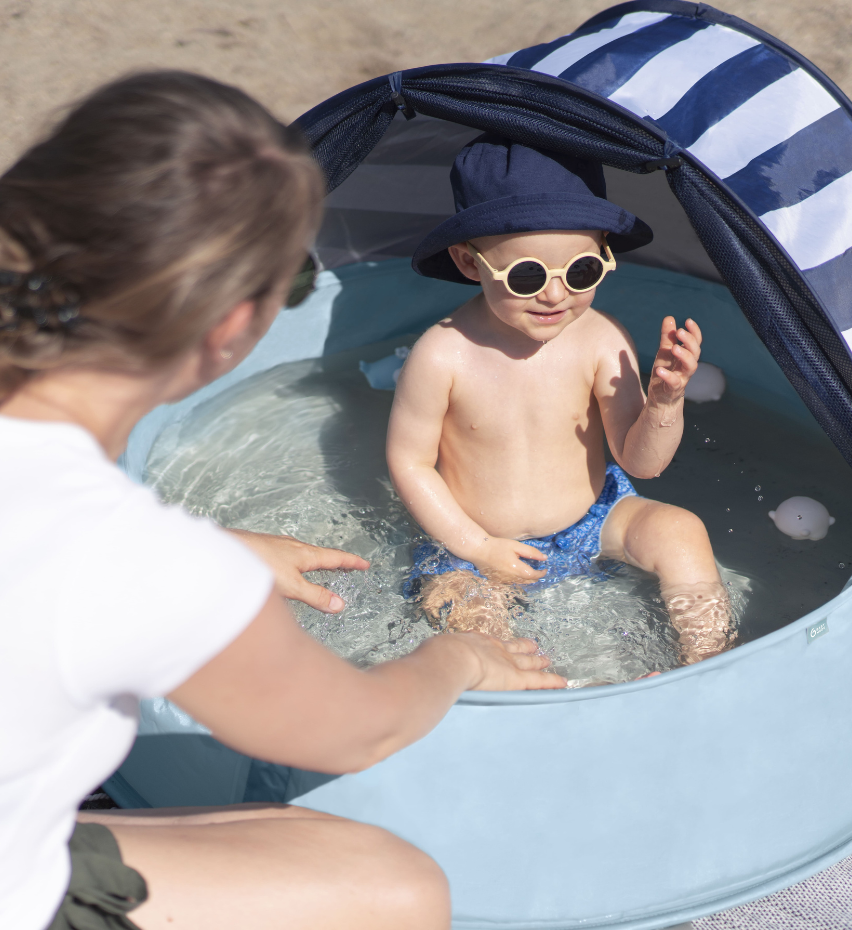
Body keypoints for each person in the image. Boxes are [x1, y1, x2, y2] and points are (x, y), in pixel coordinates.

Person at [0, 75, 567, 930]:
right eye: (293, 290)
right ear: (234, 327)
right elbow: (350, 732)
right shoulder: (137, 563)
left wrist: (216, 544)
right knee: (393, 889)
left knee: (273, 830)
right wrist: (463, 658)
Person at [387, 135, 733, 666]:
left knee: (680, 530)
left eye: (582, 272)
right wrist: (476, 546)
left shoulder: (600, 339)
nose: (555, 295)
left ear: (604, 256)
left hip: (595, 520)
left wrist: (663, 404)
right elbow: (409, 463)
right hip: (477, 545)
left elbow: (642, 463)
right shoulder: (442, 355)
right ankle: (530, 694)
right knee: (466, 613)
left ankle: (704, 662)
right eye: (526, 276)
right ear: (468, 262)